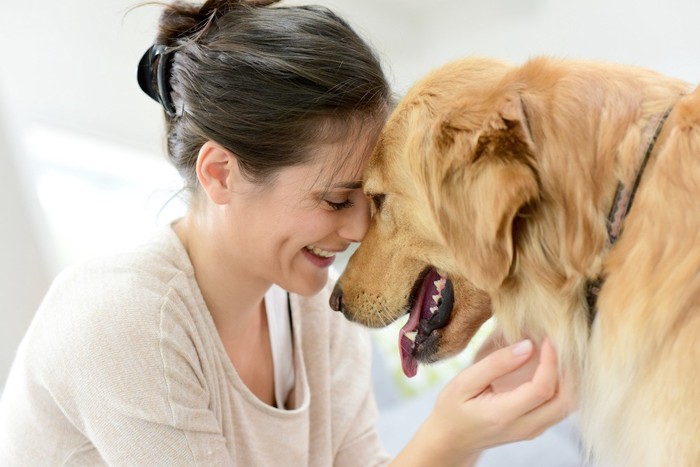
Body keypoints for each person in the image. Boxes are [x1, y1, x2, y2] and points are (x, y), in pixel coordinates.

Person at [0, 0, 574, 465]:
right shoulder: (123, 320)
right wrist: (448, 438)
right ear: (221, 174)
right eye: (335, 200)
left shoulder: (315, 314)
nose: (357, 231)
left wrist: (472, 418)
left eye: (371, 200)